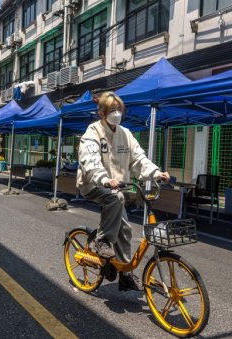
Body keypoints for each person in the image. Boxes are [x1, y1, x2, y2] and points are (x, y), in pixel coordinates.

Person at [77, 92, 170, 291]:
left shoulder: (126, 134)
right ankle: (102, 241)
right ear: (102, 112)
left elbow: (138, 160)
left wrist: (156, 173)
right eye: (112, 110)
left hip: (116, 188)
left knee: (125, 230)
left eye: (119, 110)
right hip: (93, 185)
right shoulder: (92, 132)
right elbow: (89, 160)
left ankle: (125, 273)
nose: (117, 113)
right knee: (115, 198)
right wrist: (103, 179)